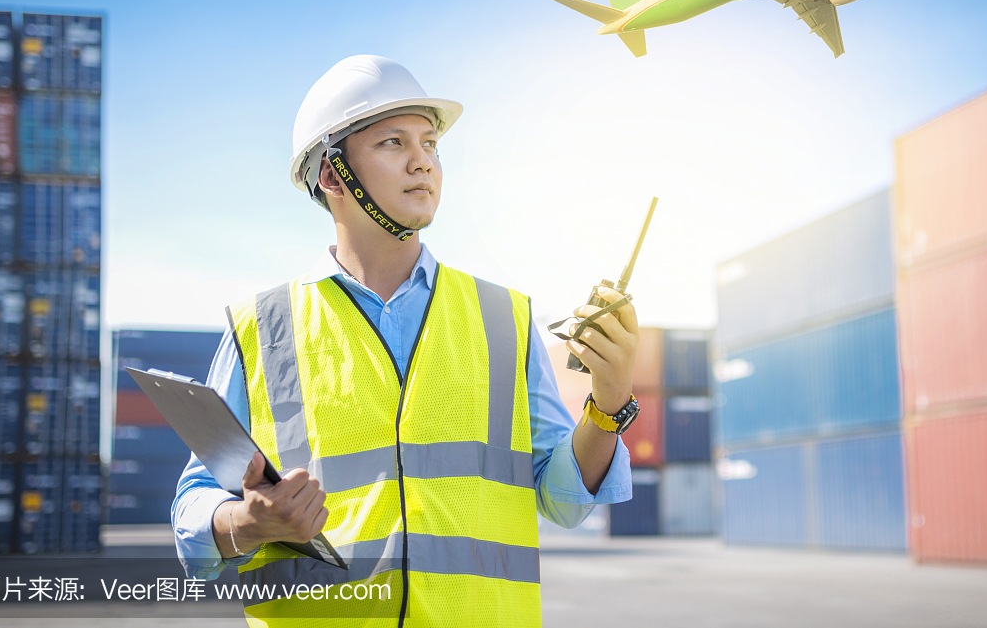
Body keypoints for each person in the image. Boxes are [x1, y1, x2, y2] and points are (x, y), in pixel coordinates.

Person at [172, 55, 639, 627]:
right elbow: (194, 508)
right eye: (393, 143)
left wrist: (609, 404)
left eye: (431, 144)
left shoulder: (503, 318)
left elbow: (564, 501)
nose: (423, 162)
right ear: (332, 174)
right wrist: (245, 524)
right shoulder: (261, 326)